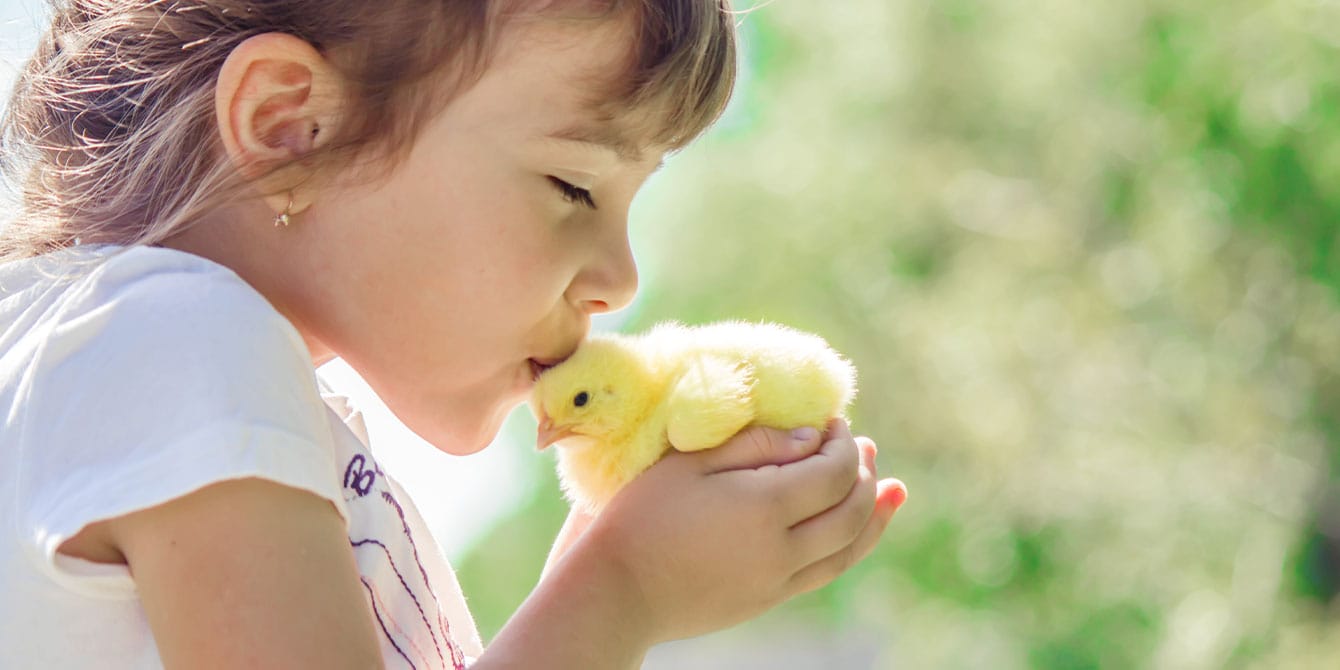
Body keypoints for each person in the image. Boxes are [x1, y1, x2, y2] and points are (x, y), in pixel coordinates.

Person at [0, 0, 908, 667]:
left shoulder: (147, 361)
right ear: (289, 125)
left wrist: (600, 565)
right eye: (573, 187)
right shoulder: (183, 340)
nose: (620, 280)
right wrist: (619, 593)